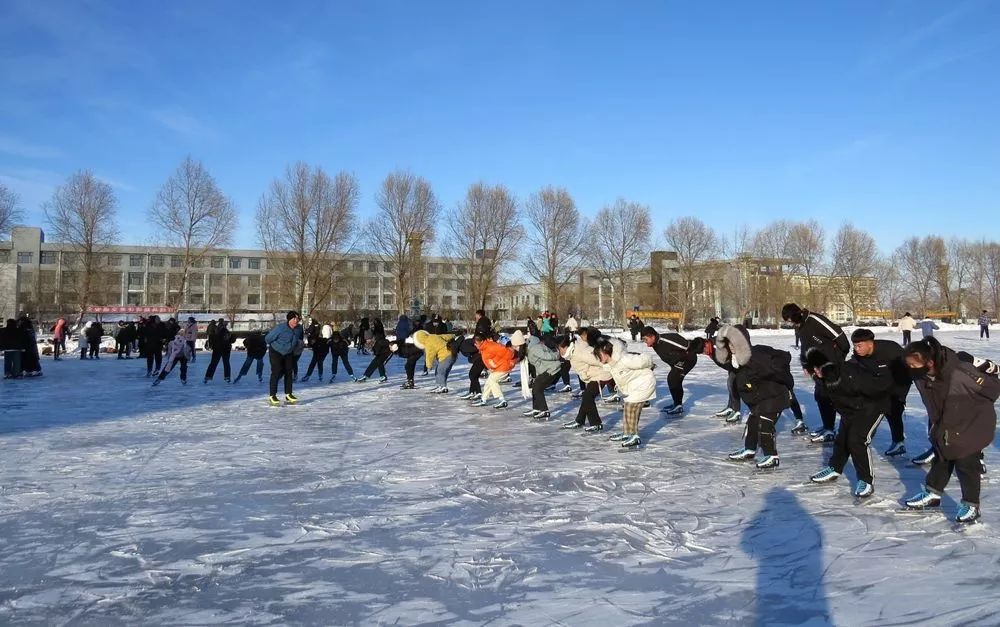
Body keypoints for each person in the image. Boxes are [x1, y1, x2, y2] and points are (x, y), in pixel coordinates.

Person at [902, 337, 1000, 523]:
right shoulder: (921, 375)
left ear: (929, 362)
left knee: (965, 462)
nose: (910, 369)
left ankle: (971, 505)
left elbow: (993, 389)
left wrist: (970, 405)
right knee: (942, 455)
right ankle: (933, 494)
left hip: (973, 422)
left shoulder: (960, 373)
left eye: (913, 365)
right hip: (946, 422)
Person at [805, 343, 894, 498]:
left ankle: (866, 480)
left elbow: (876, 388)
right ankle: (834, 468)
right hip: (851, 409)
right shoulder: (825, 377)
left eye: (818, 368)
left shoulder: (847, 373)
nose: (815, 372)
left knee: (857, 441)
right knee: (842, 440)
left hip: (872, 407)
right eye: (813, 369)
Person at [716, 325, 792, 470]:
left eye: (734, 343)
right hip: (759, 400)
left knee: (765, 426)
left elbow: (783, 358)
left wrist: (788, 385)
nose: (732, 347)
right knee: (752, 423)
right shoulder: (735, 361)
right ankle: (750, 450)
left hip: (774, 397)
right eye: (729, 344)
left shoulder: (757, 357)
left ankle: (772, 456)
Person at [781, 302, 850, 443]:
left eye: (791, 320)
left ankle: (841, 429)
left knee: (834, 397)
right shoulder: (800, 326)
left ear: (797, 314)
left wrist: (837, 360)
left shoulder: (814, 320)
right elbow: (805, 346)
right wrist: (806, 365)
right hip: (817, 367)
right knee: (821, 396)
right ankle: (828, 427)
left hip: (831, 365)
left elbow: (839, 335)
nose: (791, 324)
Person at [848, 328, 912, 457]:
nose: (856, 349)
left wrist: (900, 395)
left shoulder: (891, 350)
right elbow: (851, 367)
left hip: (898, 382)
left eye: (859, 346)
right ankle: (861, 438)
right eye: (854, 346)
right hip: (878, 385)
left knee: (894, 410)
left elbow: (907, 370)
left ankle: (898, 442)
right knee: (871, 409)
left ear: (870, 344)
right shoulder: (858, 356)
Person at [595, 336, 656, 449]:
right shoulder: (611, 365)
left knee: (630, 407)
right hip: (637, 385)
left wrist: (650, 364)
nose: (598, 358)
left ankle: (634, 436)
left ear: (605, 352)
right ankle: (627, 433)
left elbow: (645, 359)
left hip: (645, 383)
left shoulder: (624, 359)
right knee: (629, 406)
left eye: (599, 355)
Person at [640, 325, 703, 415]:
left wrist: (697, 348)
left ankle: (678, 406)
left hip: (688, 358)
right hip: (678, 362)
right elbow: (669, 356)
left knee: (673, 378)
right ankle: (677, 404)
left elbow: (686, 345)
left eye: (646, 339)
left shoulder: (665, 340)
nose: (645, 343)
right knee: (674, 379)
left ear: (652, 337)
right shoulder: (655, 344)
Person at [558, 333, 606, 431]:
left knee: (588, 396)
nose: (559, 352)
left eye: (560, 349)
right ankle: (579, 420)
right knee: (586, 397)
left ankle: (596, 424)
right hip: (594, 375)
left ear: (566, 347)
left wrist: (609, 368)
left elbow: (598, 359)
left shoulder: (579, 352)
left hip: (600, 375)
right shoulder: (572, 352)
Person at [513, 330, 562, 419]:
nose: (514, 348)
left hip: (552, 369)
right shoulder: (529, 349)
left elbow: (549, 356)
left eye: (515, 346)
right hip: (545, 370)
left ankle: (544, 410)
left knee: (537, 388)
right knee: (535, 387)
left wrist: (557, 355)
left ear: (520, 345)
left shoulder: (534, 349)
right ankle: (536, 408)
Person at [471, 332, 517, 410]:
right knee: (488, 383)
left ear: (481, 341)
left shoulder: (491, 346)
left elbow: (508, 352)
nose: (475, 345)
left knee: (492, 380)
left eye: (476, 343)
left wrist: (497, 362)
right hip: (499, 367)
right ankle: (483, 399)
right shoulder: (484, 347)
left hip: (504, 366)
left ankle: (502, 400)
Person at [265, 311, 303, 405]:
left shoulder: (299, 329)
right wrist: (278, 345)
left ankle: (288, 394)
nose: (296, 321)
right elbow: (268, 339)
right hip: (276, 351)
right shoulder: (280, 328)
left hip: (289, 352)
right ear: (289, 319)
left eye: (297, 319)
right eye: (294, 319)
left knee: (289, 372)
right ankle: (272, 395)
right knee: (276, 371)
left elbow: (300, 339)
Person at [412, 329, 455, 393]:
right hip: (452, 354)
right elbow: (445, 336)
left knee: (440, 371)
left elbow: (429, 356)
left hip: (445, 356)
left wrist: (428, 366)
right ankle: (439, 386)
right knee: (439, 371)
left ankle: (443, 387)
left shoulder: (428, 344)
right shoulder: (434, 336)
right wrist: (453, 336)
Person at [457, 335, 484, 401]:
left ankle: (478, 392)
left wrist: (471, 357)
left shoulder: (464, 345)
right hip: (480, 359)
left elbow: (473, 350)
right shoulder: (466, 342)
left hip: (480, 359)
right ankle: (472, 392)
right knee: (474, 376)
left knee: (472, 375)